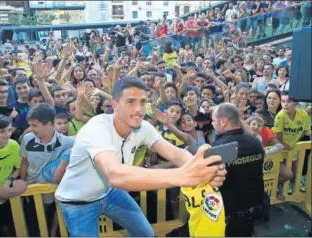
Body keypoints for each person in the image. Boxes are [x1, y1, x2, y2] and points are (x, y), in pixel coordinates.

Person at [55, 77, 226, 237]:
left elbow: (174, 152)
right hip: (78, 202)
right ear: (114, 105)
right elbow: (115, 174)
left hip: (109, 192)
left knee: (146, 234)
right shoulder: (97, 128)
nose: (138, 109)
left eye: (143, 102)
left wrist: (203, 168)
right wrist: (184, 175)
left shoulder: (143, 127)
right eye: (130, 102)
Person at [211, 103, 265, 237]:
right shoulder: (255, 141)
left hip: (229, 214)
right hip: (253, 208)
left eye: (213, 120)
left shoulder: (219, 147)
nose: (212, 124)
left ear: (223, 121)